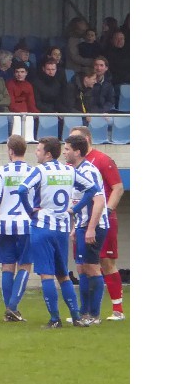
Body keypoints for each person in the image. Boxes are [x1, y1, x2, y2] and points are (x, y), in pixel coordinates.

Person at [17, 137, 93, 329]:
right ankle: (76, 317)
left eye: (39, 150)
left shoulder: (40, 170)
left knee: (46, 275)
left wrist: (31, 211)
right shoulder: (70, 170)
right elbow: (92, 189)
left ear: (48, 154)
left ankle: (55, 319)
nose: (36, 153)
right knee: (63, 275)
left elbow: (21, 189)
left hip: (42, 227)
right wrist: (75, 210)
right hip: (62, 229)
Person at [72, 124, 125, 320]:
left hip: (102, 219)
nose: (67, 147)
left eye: (72, 140)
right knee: (83, 265)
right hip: (82, 221)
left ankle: (117, 309)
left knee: (106, 262)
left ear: (84, 141)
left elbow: (118, 188)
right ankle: (85, 310)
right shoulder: (73, 165)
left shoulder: (102, 160)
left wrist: (107, 211)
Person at [65, 133, 111, 325]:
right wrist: (76, 227)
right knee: (82, 268)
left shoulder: (88, 171)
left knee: (92, 269)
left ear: (77, 151)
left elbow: (99, 201)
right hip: (83, 225)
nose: (64, 152)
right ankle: (84, 313)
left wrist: (91, 228)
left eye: (67, 149)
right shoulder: (76, 170)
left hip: (95, 226)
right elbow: (80, 202)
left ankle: (94, 315)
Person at [0, 134, 34, 322]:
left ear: (10, 150)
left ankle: (9, 310)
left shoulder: (1, 171)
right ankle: (12, 307)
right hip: (26, 223)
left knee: (6, 266)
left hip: (4, 224)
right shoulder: (33, 171)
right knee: (25, 266)